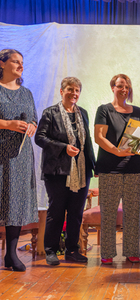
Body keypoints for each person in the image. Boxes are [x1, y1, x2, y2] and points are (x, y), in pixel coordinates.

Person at [35, 77, 95, 266]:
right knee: (57, 211)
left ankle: (72, 250)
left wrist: (94, 165)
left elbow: (87, 142)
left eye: (77, 90)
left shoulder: (83, 113)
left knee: (76, 212)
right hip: (57, 171)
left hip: (81, 170)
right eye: (70, 89)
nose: (74, 93)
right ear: (62, 91)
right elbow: (40, 138)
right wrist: (63, 147)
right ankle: (51, 250)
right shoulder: (50, 113)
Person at [94, 74, 140, 265]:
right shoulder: (104, 110)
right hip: (109, 168)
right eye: (120, 86)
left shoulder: (139, 111)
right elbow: (99, 137)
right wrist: (117, 152)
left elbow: (139, 139)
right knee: (109, 212)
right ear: (112, 87)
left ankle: (132, 251)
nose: (124, 89)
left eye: (127, 86)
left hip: (134, 167)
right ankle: (108, 253)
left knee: (132, 212)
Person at [0, 49, 38, 272]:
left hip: (20, 155)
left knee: (14, 203)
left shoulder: (27, 93)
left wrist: (32, 125)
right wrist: (7, 124)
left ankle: (11, 254)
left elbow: (33, 117)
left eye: (22, 62)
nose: (20, 65)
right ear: (2, 64)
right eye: (16, 61)